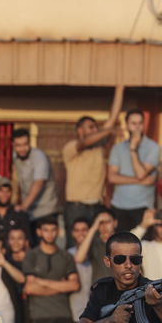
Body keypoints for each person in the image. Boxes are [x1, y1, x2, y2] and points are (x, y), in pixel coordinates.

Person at [61, 86, 125, 234]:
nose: (95, 130)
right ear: (80, 131)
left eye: (96, 128)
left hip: (96, 206)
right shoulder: (71, 147)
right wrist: (109, 131)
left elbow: (113, 118)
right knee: (75, 245)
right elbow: (84, 142)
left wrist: (120, 90)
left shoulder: (99, 146)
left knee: (96, 243)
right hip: (76, 207)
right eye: (91, 127)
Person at [107, 109, 161, 231]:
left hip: (142, 207)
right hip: (119, 207)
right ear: (127, 126)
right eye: (133, 123)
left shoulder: (154, 147)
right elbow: (112, 177)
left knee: (141, 243)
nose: (137, 127)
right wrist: (140, 181)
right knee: (120, 242)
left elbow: (141, 173)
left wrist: (132, 149)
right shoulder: (117, 148)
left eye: (140, 123)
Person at [10, 127, 57, 222]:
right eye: (18, 145)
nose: (22, 149)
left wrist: (23, 207)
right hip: (29, 211)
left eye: (25, 144)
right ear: (13, 145)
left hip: (45, 211)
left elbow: (39, 183)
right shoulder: (14, 156)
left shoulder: (39, 156)